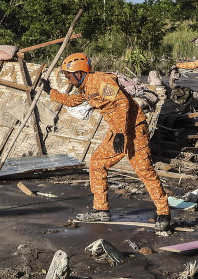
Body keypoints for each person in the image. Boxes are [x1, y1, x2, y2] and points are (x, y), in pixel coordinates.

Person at [40, 53, 171, 231]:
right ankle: (101, 210)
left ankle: (164, 213)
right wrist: (51, 92)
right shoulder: (85, 87)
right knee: (97, 163)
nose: (69, 81)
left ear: (79, 73)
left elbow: (122, 103)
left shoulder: (102, 81)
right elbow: (72, 101)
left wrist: (119, 133)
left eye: (69, 77)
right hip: (117, 131)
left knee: (144, 171)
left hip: (134, 130)